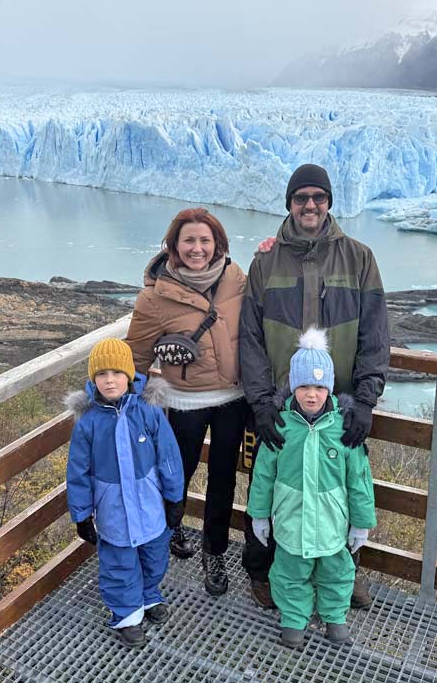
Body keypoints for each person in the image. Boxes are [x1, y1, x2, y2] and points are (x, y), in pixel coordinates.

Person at [240, 162, 389, 609]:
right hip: (278, 407)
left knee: (341, 486)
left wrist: (364, 400)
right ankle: (263, 572)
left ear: (329, 202)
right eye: (301, 197)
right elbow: (249, 337)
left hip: (334, 406)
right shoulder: (265, 261)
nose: (310, 205)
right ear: (289, 203)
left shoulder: (360, 259)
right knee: (266, 483)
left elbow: (375, 334)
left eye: (318, 197)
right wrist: (261, 402)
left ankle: (341, 577)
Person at [125, 208, 248, 597]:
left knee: (224, 478)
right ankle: (168, 531)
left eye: (205, 240)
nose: (197, 248)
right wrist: (116, 402)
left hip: (234, 398)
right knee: (177, 470)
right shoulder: (155, 296)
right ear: (174, 246)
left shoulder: (236, 277)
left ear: (218, 245)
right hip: (184, 400)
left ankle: (214, 551)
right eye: (189, 240)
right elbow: (136, 354)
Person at [247, 329, 376, 647]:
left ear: (329, 388)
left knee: (336, 572)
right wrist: (259, 515)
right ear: (293, 385)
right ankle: (293, 619)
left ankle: (335, 617)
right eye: (304, 385)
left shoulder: (343, 428)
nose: (311, 394)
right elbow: (263, 475)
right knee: (290, 573)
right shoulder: (280, 426)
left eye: (319, 387)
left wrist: (361, 522)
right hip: (291, 521)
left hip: (332, 523)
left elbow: (359, 479)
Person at [65, 338, 185, 648]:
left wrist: (174, 497)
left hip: (150, 505)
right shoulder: (88, 422)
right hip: (113, 510)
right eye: (102, 374)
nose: (109, 380)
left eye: (117, 373)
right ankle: (127, 614)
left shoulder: (147, 410)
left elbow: (168, 455)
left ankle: (148, 595)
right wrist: (81, 514)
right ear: (93, 379)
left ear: (129, 375)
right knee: (119, 562)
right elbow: (78, 472)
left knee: (154, 556)